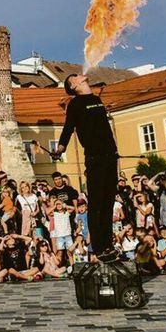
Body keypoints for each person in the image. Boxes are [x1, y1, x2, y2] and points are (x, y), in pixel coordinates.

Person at [51, 73, 118, 262]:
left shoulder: (97, 99)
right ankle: (98, 247)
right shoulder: (75, 104)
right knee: (96, 204)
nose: (82, 74)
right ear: (73, 85)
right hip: (94, 158)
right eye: (77, 76)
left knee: (108, 202)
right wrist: (61, 148)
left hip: (110, 157)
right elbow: (68, 128)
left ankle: (109, 245)